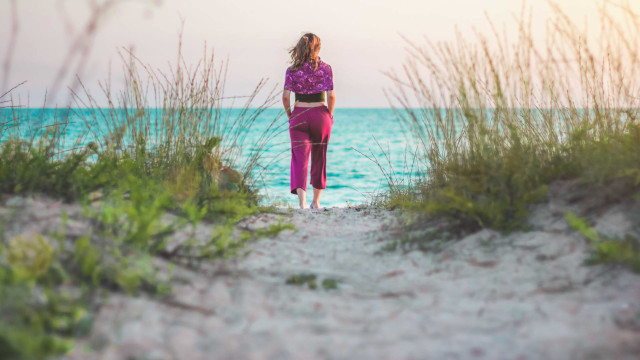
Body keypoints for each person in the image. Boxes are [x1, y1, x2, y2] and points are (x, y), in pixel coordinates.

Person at [283, 33, 335, 209]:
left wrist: (290, 114)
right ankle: (316, 202)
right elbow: (331, 96)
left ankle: (302, 203)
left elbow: (285, 96)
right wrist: (330, 114)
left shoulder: (292, 70)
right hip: (320, 114)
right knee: (319, 157)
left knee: (299, 159)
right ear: (317, 48)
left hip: (298, 114)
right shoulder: (326, 68)